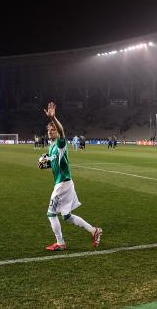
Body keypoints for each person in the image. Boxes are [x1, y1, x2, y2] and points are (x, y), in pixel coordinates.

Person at [41, 102, 102, 251]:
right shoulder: (51, 146)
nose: (50, 131)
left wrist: (54, 118)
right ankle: (94, 231)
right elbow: (54, 161)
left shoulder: (61, 143)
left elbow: (62, 131)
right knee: (66, 216)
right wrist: (45, 162)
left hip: (62, 184)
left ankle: (60, 242)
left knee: (51, 214)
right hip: (66, 183)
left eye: (52, 129)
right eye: (49, 129)